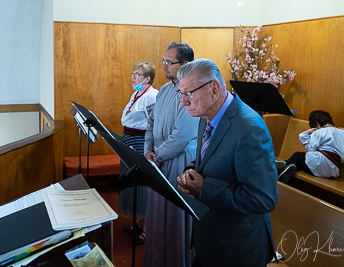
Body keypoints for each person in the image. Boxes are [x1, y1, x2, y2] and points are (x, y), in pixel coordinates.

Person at [176, 58, 279, 267]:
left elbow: (263, 199)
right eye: (181, 94)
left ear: (213, 89)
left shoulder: (250, 129)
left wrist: (204, 188)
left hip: (237, 249)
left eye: (188, 94)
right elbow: (209, 156)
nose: (182, 102)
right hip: (210, 239)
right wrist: (191, 171)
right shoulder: (207, 114)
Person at [143, 42, 199, 267]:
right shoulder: (165, 90)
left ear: (185, 64)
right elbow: (150, 123)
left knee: (175, 219)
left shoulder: (191, 93)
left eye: (169, 62)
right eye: (163, 60)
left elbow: (182, 135)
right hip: (157, 160)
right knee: (157, 217)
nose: (164, 66)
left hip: (178, 161)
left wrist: (157, 157)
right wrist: (147, 151)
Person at [119, 61, 158, 245]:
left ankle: (146, 228)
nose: (133, 76)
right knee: (131, 182)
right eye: (133, 73)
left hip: (141, 142)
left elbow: (153, 124)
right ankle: (138, 222)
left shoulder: (151, 96)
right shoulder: (137, 93)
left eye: (137, 74)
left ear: (147, 78)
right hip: (129, 140)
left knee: (143, 186)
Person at [276, 110, 344, 183]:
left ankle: (286, 164)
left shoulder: (320, 131)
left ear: (317, 123)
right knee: (300, 163)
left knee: (298, 156)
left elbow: (310, 149)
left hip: (319, 165)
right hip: (333, 169)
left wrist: (308, 133)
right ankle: (289, 165)